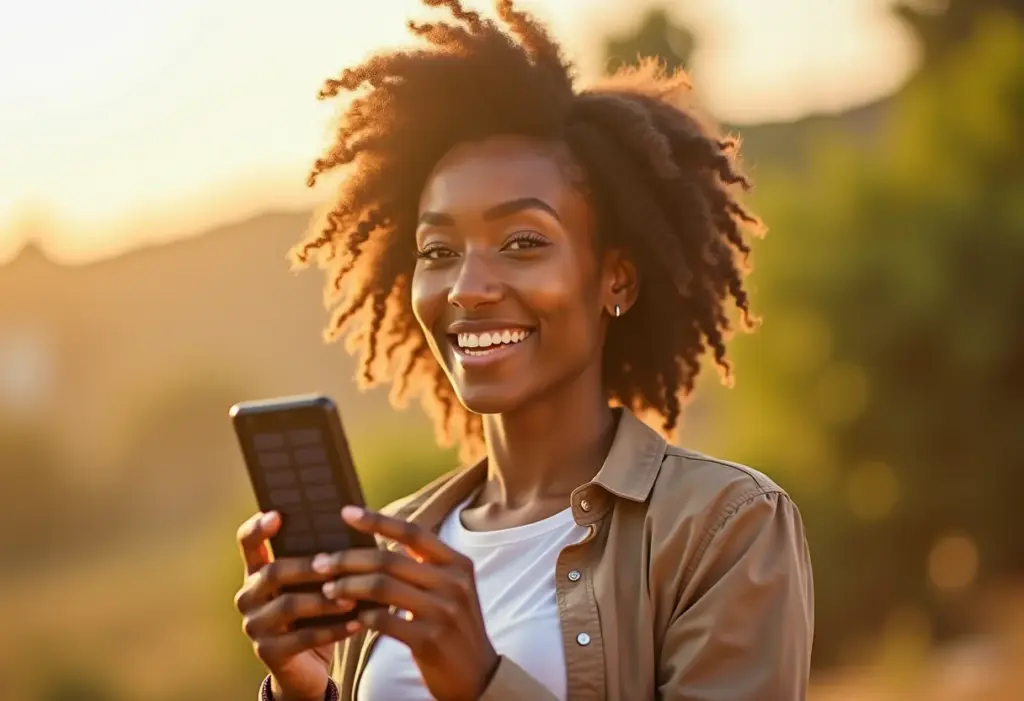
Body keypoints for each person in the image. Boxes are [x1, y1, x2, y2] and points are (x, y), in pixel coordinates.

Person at [232, 1, 814, 699]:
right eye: (438, 251)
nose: (469, 288)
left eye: (523, 243)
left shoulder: (723, 526)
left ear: (615, 277)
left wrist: (481, 681)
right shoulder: (392, 554)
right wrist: (304, 692)